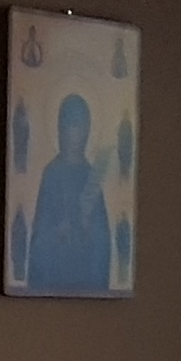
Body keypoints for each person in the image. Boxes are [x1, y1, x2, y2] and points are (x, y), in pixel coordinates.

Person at [24, 91, 116, 292]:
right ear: (60, 128)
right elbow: (40, 237)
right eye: (70, 124)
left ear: (87, 130)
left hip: (86, 275)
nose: (74, 133)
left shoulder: (91, 175)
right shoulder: (52, 174)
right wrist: (58, 232)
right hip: (56, 271)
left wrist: (87, 229)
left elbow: (102, 240)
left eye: (80, 125)